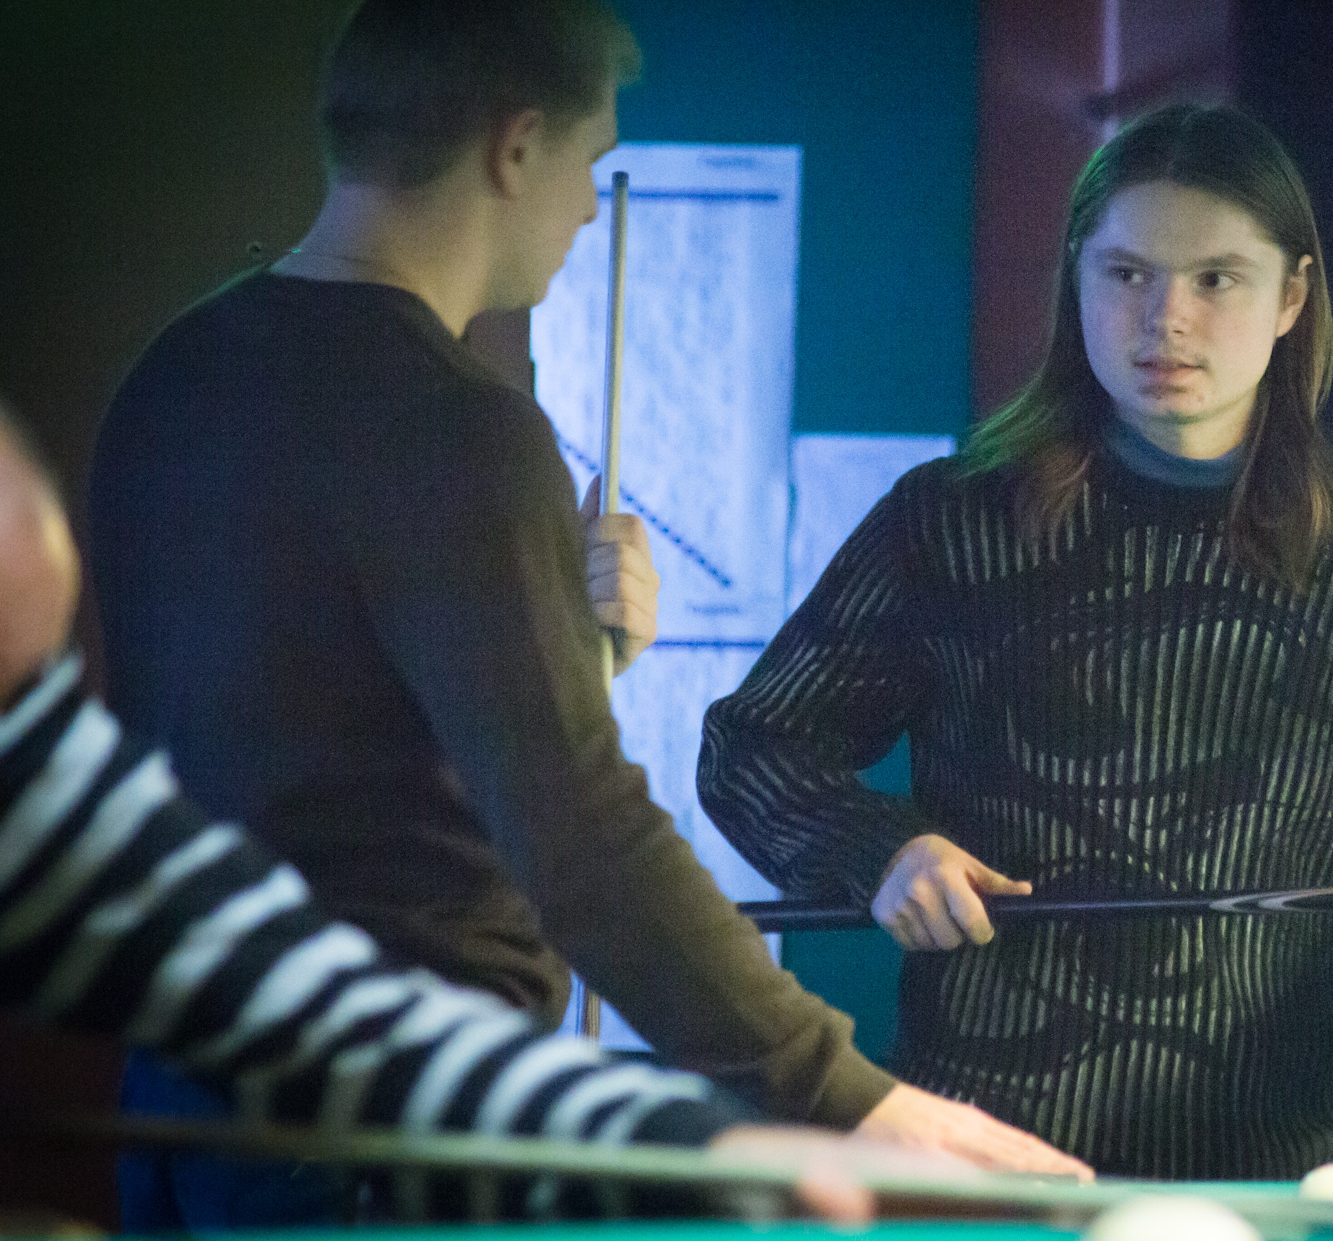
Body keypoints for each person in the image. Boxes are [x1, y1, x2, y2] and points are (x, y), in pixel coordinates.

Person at [88, 0, 1085, 1227]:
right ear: (516, 147)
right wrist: (846, 1094)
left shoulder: (173, 376)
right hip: (385, 1126)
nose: (585, 211)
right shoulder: (456, 424)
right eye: (588, 163)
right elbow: (575, 827)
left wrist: (575, 644)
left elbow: (303, 743)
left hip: (179, 1103)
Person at [698, 104, 1333, 1180]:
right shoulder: (948, 521)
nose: (1165, 320)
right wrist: (881, 847)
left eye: (1215, 278)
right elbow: (755, 745)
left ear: (1291, 297)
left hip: (1260, 1181)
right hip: (976, 1166)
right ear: (1077, 279)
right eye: (1127, 274)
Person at [0, 400, 913, 1225]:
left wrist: (686, 1145)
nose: (43, 731)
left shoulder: (40, 800)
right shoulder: (455, 430)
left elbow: (332, 1028)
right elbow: (587, 829)